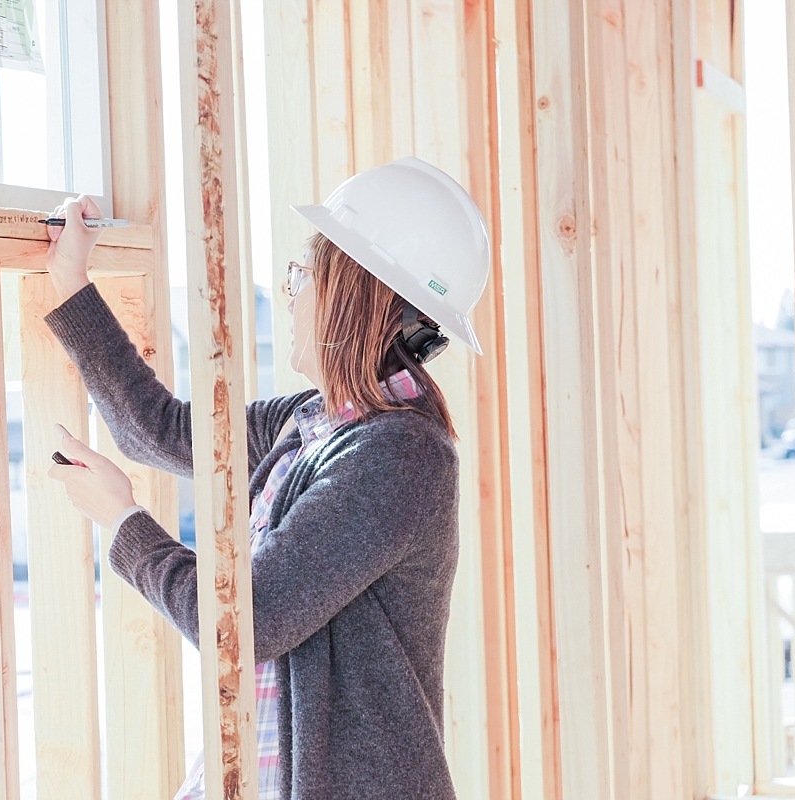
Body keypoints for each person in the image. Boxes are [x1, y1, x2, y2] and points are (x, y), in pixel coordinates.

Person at [43, 157, 491, 800]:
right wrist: (71, 280)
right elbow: (158, 430)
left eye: (303, 274)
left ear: (352, 295)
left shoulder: (397, 456)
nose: (291, 292)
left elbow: (248, 623)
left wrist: (124, 523)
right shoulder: (314, 423)